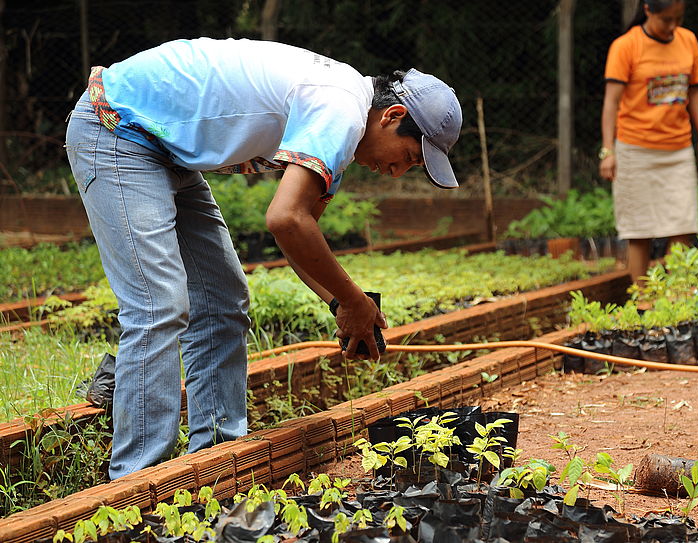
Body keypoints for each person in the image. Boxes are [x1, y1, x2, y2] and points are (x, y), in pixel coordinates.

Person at [64, 37, 463, 479]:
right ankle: (138, 484)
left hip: (166, 149)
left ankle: (217, 460)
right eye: (408, 157)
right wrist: (352, 300)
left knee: (221, 302)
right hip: (117, 126)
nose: (397, 172)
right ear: (393, 116)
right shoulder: (341, 110)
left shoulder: (341, 120)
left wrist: (342, 303)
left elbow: (300, 233)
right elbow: (286, 219)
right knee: (158, 304)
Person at [599, 0, 698, 295]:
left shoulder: (688, 40)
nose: (673, 27)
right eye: (666, 20)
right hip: (635, 150)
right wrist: (608, 151)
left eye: (678, 19)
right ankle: (644, 300)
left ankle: (676, 298)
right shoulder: (626, 46)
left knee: (682, 226)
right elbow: (611, 102)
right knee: (639, 230)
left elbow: (695, 91)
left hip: (677, 150)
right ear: (648, 10)